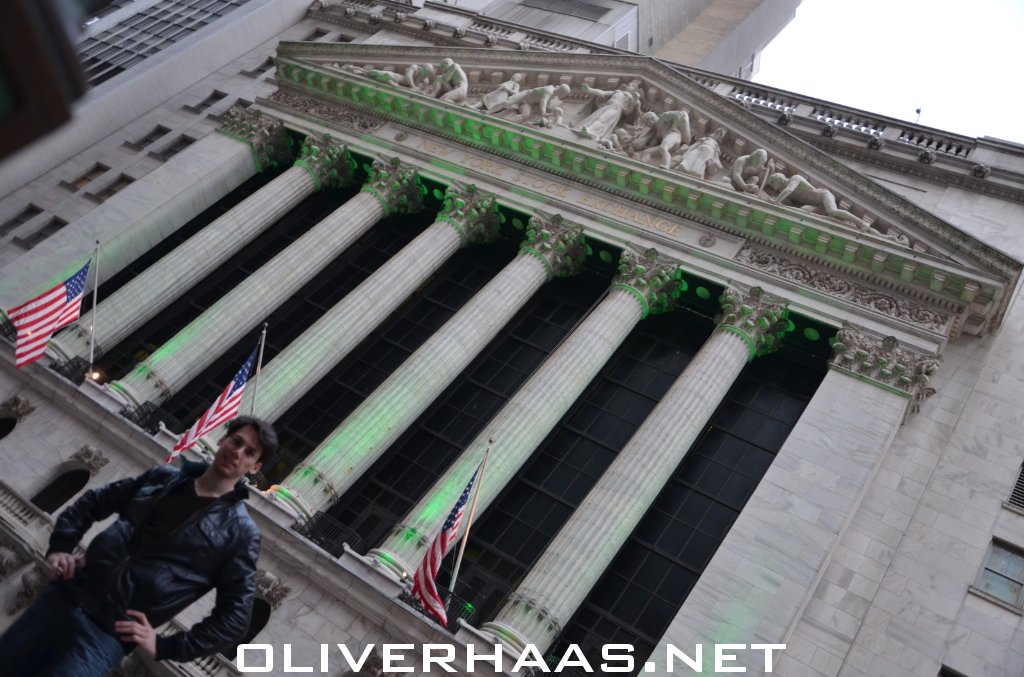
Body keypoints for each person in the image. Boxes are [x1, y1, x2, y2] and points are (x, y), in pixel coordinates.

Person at [0, 416, 277, 676]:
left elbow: (236, 616)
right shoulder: (164, 478)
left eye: (250, 452)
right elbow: (94, 502)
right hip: (61, 599)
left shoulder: (240, 533)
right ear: (222, 440)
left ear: (254, 467)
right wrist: (61, 545)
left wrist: (167, 646)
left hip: (104, 638)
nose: (238, 452)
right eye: (236, 441)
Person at [765, 172, 869, 227]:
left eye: (773, 183)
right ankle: (843, 224)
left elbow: (789, 189)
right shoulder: (783, 192)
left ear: (778, 179)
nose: (774, 188)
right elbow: (787, 203)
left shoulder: (794, 178)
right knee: (803, 210)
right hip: (817, 206)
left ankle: (862, 223)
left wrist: (775, 201)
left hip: (823, 195)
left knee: (832, 211)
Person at [572, 79, 643, 141]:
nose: (630, 86)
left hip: (616, 108)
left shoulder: (632, 99)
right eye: (630, 85)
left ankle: (590, 130)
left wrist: (634, 100)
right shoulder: (618, 91)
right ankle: (587, 129)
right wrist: (589, 90)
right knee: (595, 117)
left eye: (633, 86)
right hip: (607, 106)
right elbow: (602, 93)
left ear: (635, 90)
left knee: (602, 119)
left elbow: (627, 111)